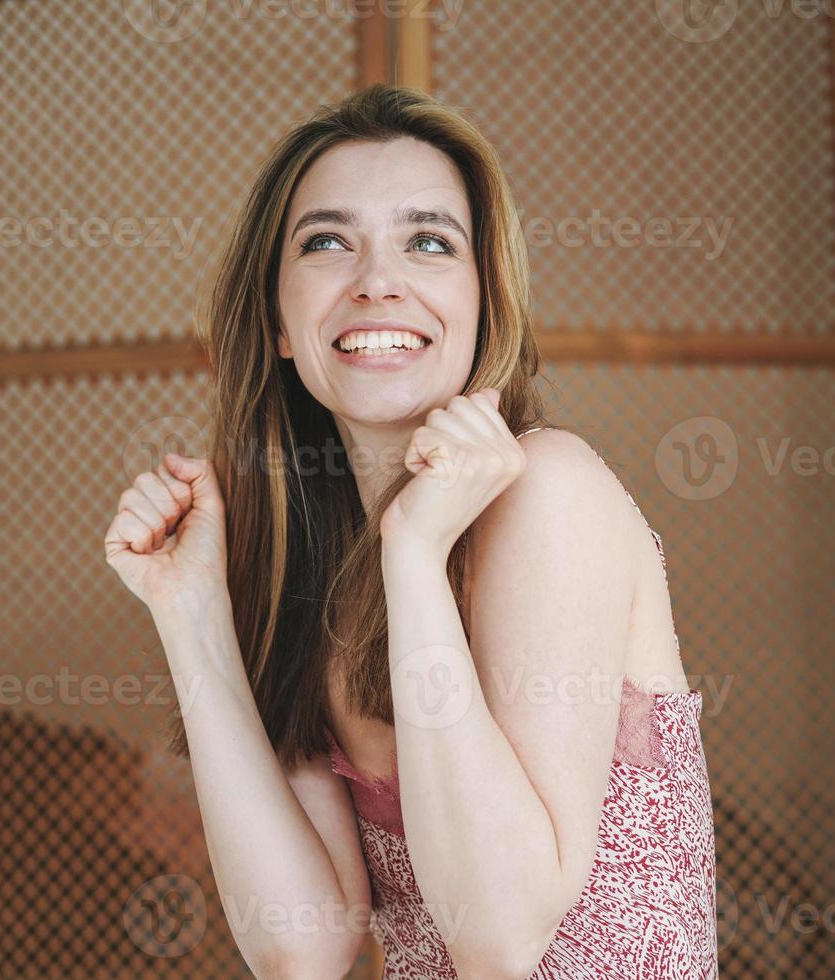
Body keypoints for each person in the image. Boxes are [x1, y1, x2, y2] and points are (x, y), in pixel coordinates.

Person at [104, 83, 718, 979]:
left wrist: (417, 555)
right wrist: (191, 613)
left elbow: (499, 937)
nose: (378, 280)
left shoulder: (550, 493)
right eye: (326, 242)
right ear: (278, 320)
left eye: (429, 241)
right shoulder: (307, 564)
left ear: (483, 299)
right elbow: (300, 945)